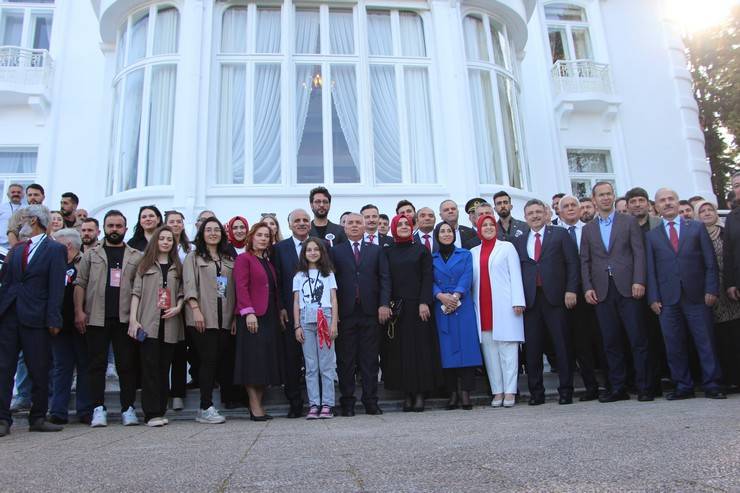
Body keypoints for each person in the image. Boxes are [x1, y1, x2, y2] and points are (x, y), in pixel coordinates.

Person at [646, 189, 724, 399]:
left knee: (705, 341)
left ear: (677, 202)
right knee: (674, 345)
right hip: (667, 299)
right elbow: (650, 270)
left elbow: (710, 263)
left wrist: (711, 289)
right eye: (662, 200)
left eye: (671, 199)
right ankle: (683, 386)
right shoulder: (652, 236)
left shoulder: (696, 228)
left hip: (697, 295)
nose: (668, 203)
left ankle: (712, 384)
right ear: (657, 206)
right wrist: (653, 297)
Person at [580, 182, 652, 403]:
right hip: (602, 290)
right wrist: (588, 287)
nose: (605, 198)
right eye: (600, 195)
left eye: (608, 194)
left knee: (637, 339)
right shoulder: (588, 228)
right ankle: (618, 387)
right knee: (610, 342)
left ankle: (644, 387)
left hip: (628, 287)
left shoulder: (628, 221)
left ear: (613, 196)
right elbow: (585, 261)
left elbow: (639, 253)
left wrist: (639, 280)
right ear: (594, 199)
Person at [0, 205, 66, 436]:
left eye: (25, 219)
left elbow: (57, 286)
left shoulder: (55, 249)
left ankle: (38, 417)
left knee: (39, 369)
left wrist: (54, 319)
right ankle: (2, 419)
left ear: (36, 220)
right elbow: (7, 282)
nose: (21, 223)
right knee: (4, 369)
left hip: (37, 318)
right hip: (9, 317)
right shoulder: (17, 249)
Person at [75, 210, 143, 427]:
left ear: (125, 228)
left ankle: (128, 408)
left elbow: (141, 288)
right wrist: (79, 311)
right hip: (96, 317)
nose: (114, 229)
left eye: (118, 226)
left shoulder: (135, 255)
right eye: (110, 226)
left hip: (124, 319)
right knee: (96, 365)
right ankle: (98, 408)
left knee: (126, 365)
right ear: (104, 227)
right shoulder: (91, 254)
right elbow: (80, 283)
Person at [513, 199, 578, 405]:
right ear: (525, 217)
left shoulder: (560, 234)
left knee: (561, 345)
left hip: (556, 298)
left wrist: (571, 290)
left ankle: (566, 391)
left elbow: (572, 264)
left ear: (546, 213)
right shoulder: (520, 241)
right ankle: (536, 393)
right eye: (530, 213)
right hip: (531, 301)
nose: (534, 216)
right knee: (532, 348)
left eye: (538, 211)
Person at [382, 214, 442, 412]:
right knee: (401, 352)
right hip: (397, 309)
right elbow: (386, 279)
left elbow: (427, 278)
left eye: (406, 224)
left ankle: (419, 395)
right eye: (399, 224)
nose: (403, 227)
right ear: (393, 228)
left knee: (419, 351)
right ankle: (406, 394)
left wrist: (424, 301)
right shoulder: (387, 252)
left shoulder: (421, 250)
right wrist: (387, 304)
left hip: (419, 307)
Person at [333, 212, 391, 416]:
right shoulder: (335, 251)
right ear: (345, 227)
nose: (356, 226)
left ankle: (370, 401)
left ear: (365, 225)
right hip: (345, 312)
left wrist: (384, 304)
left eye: (359, 222)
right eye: (351, 223)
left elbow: (385, 279)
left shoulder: (376, 250)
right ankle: (347, 402)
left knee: (369, 360)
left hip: (370, 312)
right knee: (345, 360)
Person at [128, 226, 185, 427]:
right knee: (149, 368)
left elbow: (181, 293)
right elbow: (136, 293)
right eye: (162, 238)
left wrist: (178, 308)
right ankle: (151, 413)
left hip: (169, 323)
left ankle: (160, 410)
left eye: (169, 239)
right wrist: (133, 320)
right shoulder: (144, 264)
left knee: (163, 368)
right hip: (148, 323)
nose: (166, 242)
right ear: (156, 241)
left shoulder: (176, 267)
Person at [183, 217, 237, 423]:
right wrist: (195, 310)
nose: (213, 233)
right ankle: (205, 407)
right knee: (207, 360)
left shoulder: (227, 259)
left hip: (223, 319)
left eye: (216, 230)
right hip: (202, 317)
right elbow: (189, 285)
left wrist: (232, 318)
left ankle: (209, 405)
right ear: (202, 233)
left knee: (217, 361)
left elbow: (229, 292)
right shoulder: (193, 257)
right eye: (208, 230)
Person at [471, 214, 525, 408]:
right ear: (478, 229)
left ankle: (510, 391)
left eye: (491, 224)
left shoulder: (507, 247)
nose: (488, 227)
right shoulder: (473, 252)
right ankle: (497, 391)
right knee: (490, 354)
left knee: (508, 351)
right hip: (483, 307)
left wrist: (518, 300)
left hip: (505, 306)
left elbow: (515, 274)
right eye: (484, 225)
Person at [558, 195, 605, 400]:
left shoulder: (591, 229)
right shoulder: (555, 233)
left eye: (573, 205)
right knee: (579, 344)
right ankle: (590, 387)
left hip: (594, 292)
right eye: (565, 206)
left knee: (601, 340)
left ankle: (612, 383)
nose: (569, 209)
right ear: (559, 211)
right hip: (567, 296)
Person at [233, 222, 282, 421]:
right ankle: (254, 407)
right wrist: (248, 312)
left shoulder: (268, 262)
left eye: (267, 236)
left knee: (264, 362)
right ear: (251, 237)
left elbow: (273, 290)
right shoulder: (244, 259)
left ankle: (259, 404)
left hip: (269, 316)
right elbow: (241, 287)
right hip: (253, 316)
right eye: (259, 235)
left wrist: (280, 311)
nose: (263, 238)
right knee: (253, 362)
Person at [432, 221, 481, 410]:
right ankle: (452, 393)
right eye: (442, 231)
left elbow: (468, 275)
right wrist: (440, 295)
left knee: (466, 348)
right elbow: (429, 279)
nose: (446, 234)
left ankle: (466, 392)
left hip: (462, 304)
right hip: (441, 305)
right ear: (437, 236)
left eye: (449, 231)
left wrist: (456, 295)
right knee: (447, 350)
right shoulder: (432, 258)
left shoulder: (465, 254)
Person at [48, 228, 92, 425]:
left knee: (84, 366)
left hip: (83, 324)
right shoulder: (54, 264)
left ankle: (84, 410)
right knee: (61, 367)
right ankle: (58, 410)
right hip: (60, 325)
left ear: (67, 245)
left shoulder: (86, 262)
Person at [293, 238, 339, 419]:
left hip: (325, 317)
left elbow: (334, 299)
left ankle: (327, 403)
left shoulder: (328, 274)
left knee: (326, 365)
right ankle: (314, 404)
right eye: (308, 250)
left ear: (321, 252)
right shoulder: (299, 276)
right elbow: (296, 301)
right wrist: (297, 325)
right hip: (306, 318)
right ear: (304, 254)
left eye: (316, 249)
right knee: (311, 365)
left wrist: (334, 322)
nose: (312, 252)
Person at [696, 200, 740, 389]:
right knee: (719, 337)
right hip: (710, 292)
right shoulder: (695, 236)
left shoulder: (726, 232)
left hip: (729, 288)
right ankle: (728, 378)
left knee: (735, 333)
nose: (707, 213)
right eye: (702, 211)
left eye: (710, 210)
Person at [273, 209, 310, 418]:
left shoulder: (320, 246)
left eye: (305, 220)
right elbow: (276, 282)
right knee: (292, 358)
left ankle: (319, 400)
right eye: (297, 220)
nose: (302, 223)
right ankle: (295, 402)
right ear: (289, 225)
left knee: (314, 358)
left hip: (317, 311)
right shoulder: (280, 249)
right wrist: (281, 308)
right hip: (290, 312)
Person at [163, 210, 191, 411]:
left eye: (178, 221)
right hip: (163, 303)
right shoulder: (159, 247)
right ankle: (163, 391)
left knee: (181, 350)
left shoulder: (191, 248)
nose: (175, 224)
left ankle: (178, 393)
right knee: (164, 350)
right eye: (171, 221)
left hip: (186, 303)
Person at [0, 183, 24, 249]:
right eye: (13, 192)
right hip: (1, 246)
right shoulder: (1, 207)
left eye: (19, 192)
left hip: (18, 246)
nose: (16, 194)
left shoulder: (26, 210)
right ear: (8, 194)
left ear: (23, 195)